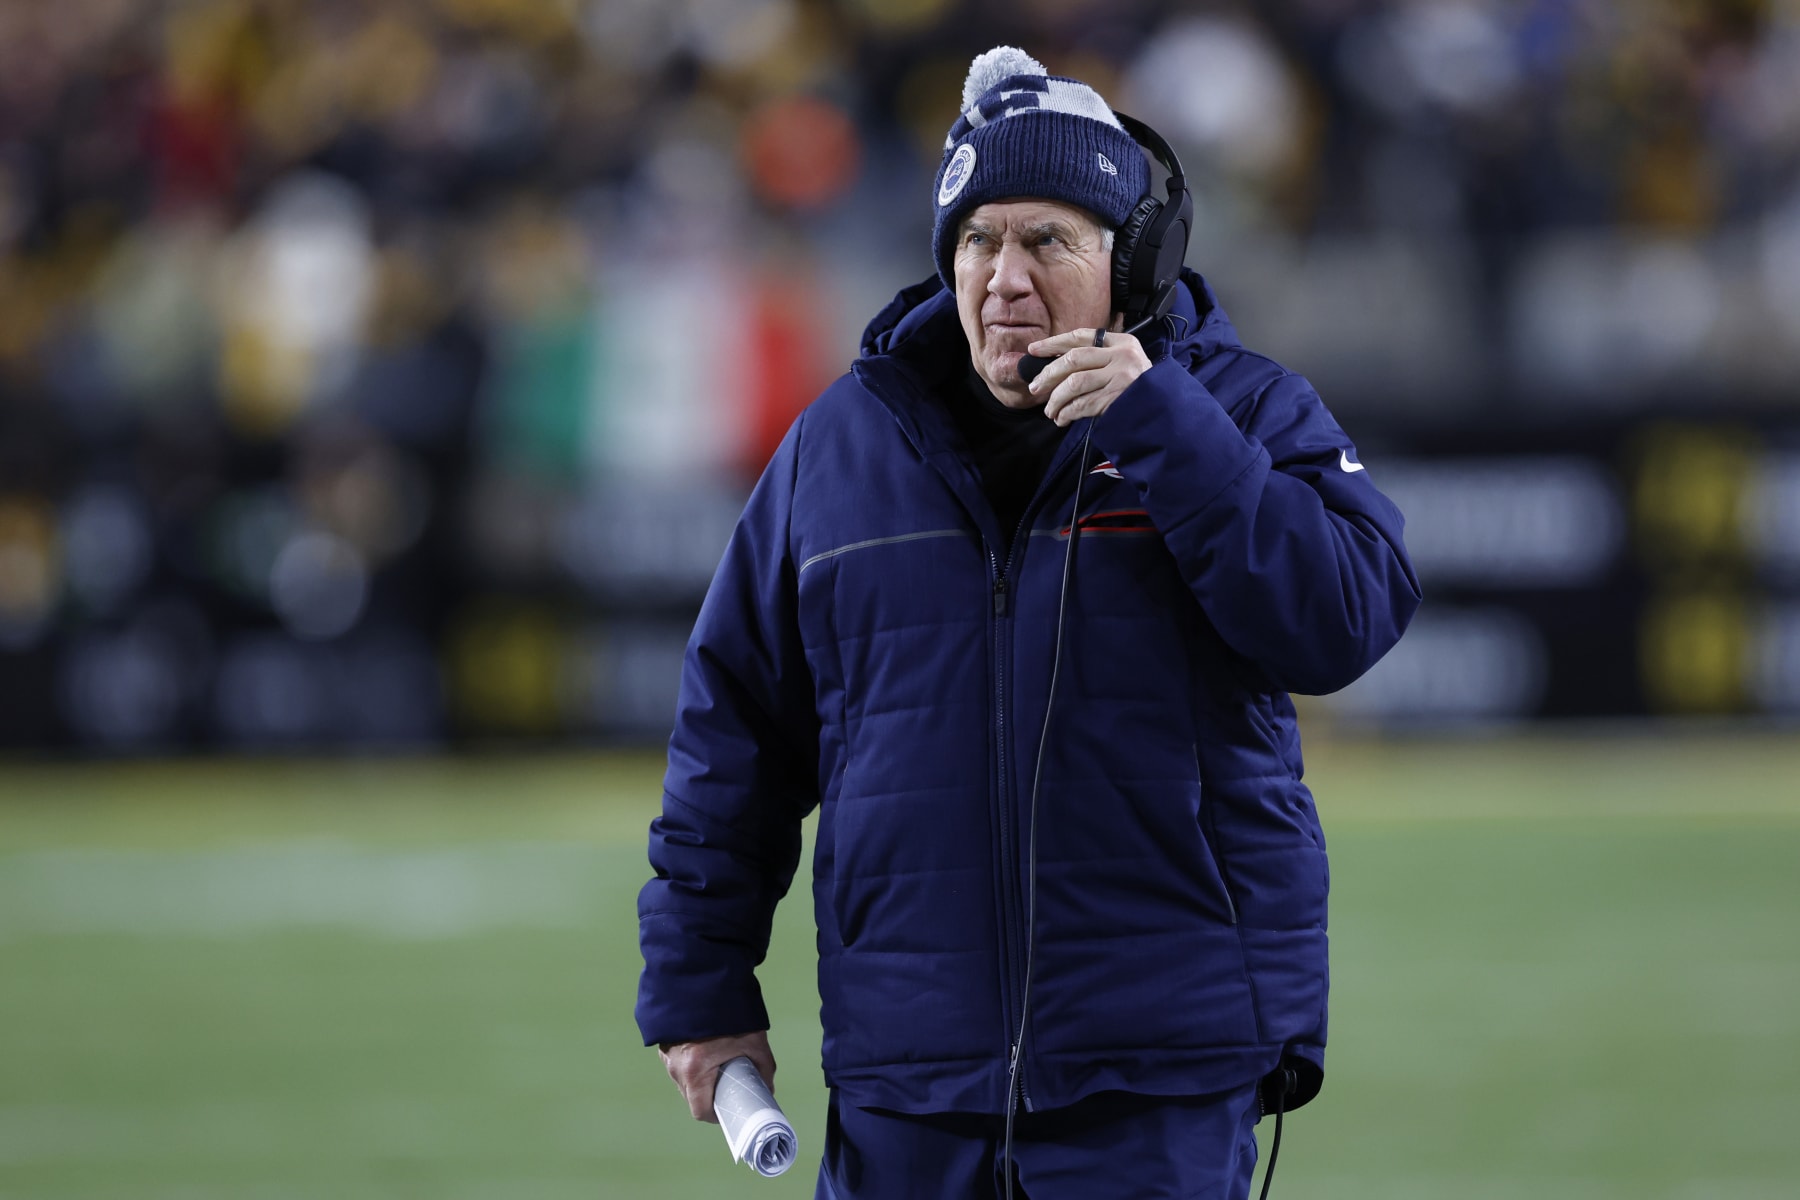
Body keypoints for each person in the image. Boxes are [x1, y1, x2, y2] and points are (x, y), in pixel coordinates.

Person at [636, 46, 1420, 1199]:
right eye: (978, 240)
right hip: (908, 1086)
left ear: (1133, 260)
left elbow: (1343, 619)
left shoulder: (1239, 409)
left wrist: (1166, 427)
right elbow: (732, 737)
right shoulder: (838, 447)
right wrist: (700, 988)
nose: (1003, 278)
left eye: (1047, 241)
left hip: (1155, 1079)